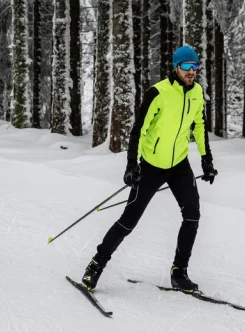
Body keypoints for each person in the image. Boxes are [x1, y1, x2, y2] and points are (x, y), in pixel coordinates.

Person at [80, 45, 217, 293]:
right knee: (129, 221)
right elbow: (138, 130)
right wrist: (132, 165)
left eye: (195, 66)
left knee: (193, 215)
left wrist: (207, 161)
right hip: (152, 165)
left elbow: (199, 126)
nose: (191, 71)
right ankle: (95, 265)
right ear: (175, 67)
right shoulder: (158, 93)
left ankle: (179, 272)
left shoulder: (197, 92)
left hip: (179, 164)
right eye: (186, 66)